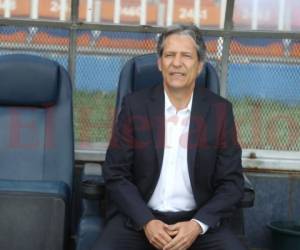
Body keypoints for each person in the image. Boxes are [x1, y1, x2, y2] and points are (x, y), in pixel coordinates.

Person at [92, 24, 245, 250]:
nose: (176, 63)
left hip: (198, 222)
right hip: (140, 220)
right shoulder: (135, 106)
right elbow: (115, 173)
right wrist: (146, 221)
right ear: (159, 63)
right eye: (169, 55)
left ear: (200, 65)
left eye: (186, 56)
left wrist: (196, 225)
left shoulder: (220, 112)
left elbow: (232, 182)